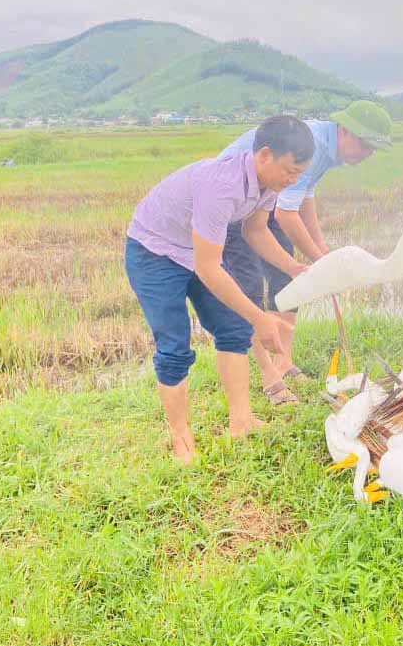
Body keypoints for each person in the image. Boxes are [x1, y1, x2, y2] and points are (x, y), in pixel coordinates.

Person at [124, 115, 315, 462]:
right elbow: (208, 268)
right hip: (153, 251)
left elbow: (255, 231)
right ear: (264, 155)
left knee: (233, 328)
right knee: (174, 344)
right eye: (290, 171)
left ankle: (241, 421)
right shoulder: (223, 186)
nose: (293, 180)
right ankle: (181, 437)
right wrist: (260, 317)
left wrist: (292, 267)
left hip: (193, 250)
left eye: (299, 174)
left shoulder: (267, 186)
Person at [220, 100, 394, 404]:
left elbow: (304, 197)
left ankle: (283, 362)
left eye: (373, 149)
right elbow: (286, 215)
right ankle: (269, 378)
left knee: (289, 281)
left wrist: (321, 249)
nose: (368, 154)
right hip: (231, 205)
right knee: (248, 289)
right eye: (366, 145)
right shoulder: (312, 145)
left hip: (264, 201)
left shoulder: (326, 150)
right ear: (345, 131)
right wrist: (318, 259)